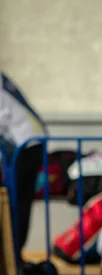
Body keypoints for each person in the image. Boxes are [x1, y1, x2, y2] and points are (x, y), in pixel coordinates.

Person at [0, 72, 47, 261]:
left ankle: (12, 256)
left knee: (16, 204)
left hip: (25, 144)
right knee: (19, 203)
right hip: (30, 141)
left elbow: (3, 118)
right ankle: (13, 255)